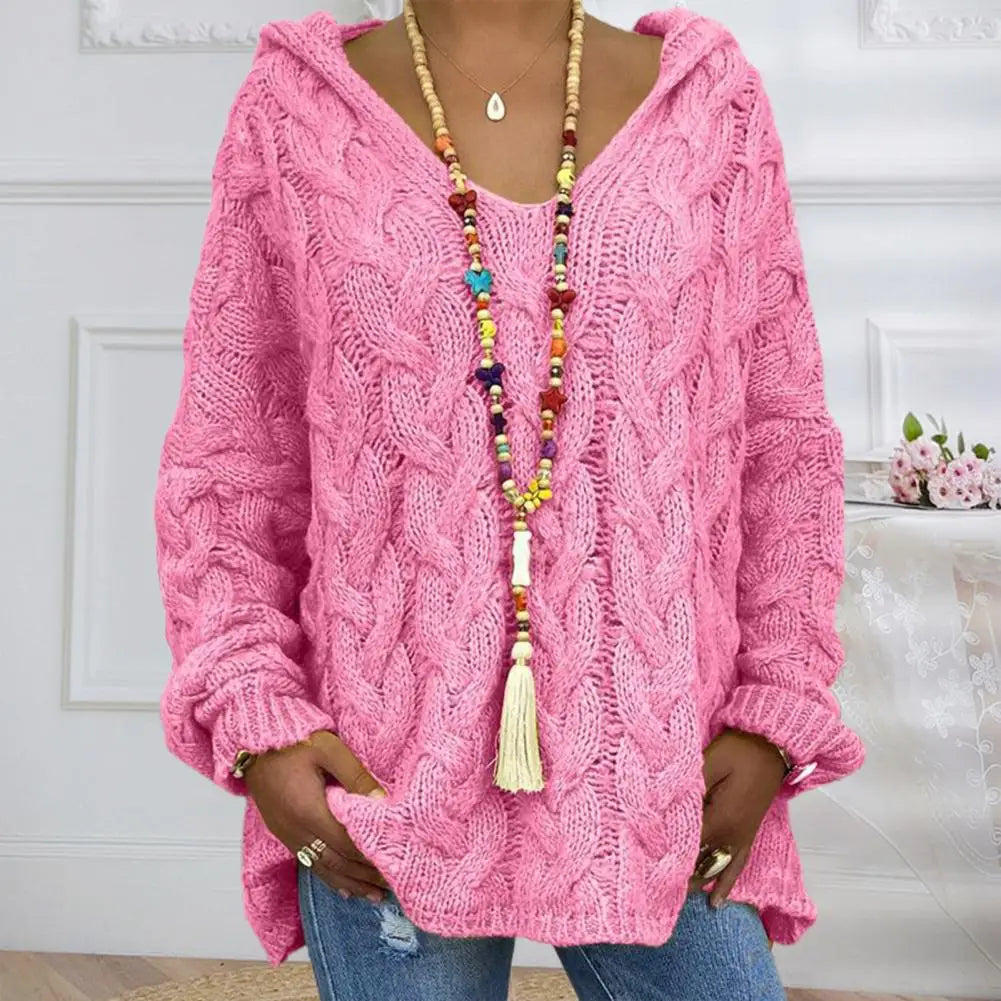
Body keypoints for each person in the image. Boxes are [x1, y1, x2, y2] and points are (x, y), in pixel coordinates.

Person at [153, 1, 865, 998]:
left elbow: (780, 440)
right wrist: (254, 711)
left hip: (662, 767)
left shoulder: (709, 104)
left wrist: (774, 707)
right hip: (383, 776)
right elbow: (231, 455)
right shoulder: (295, 110)